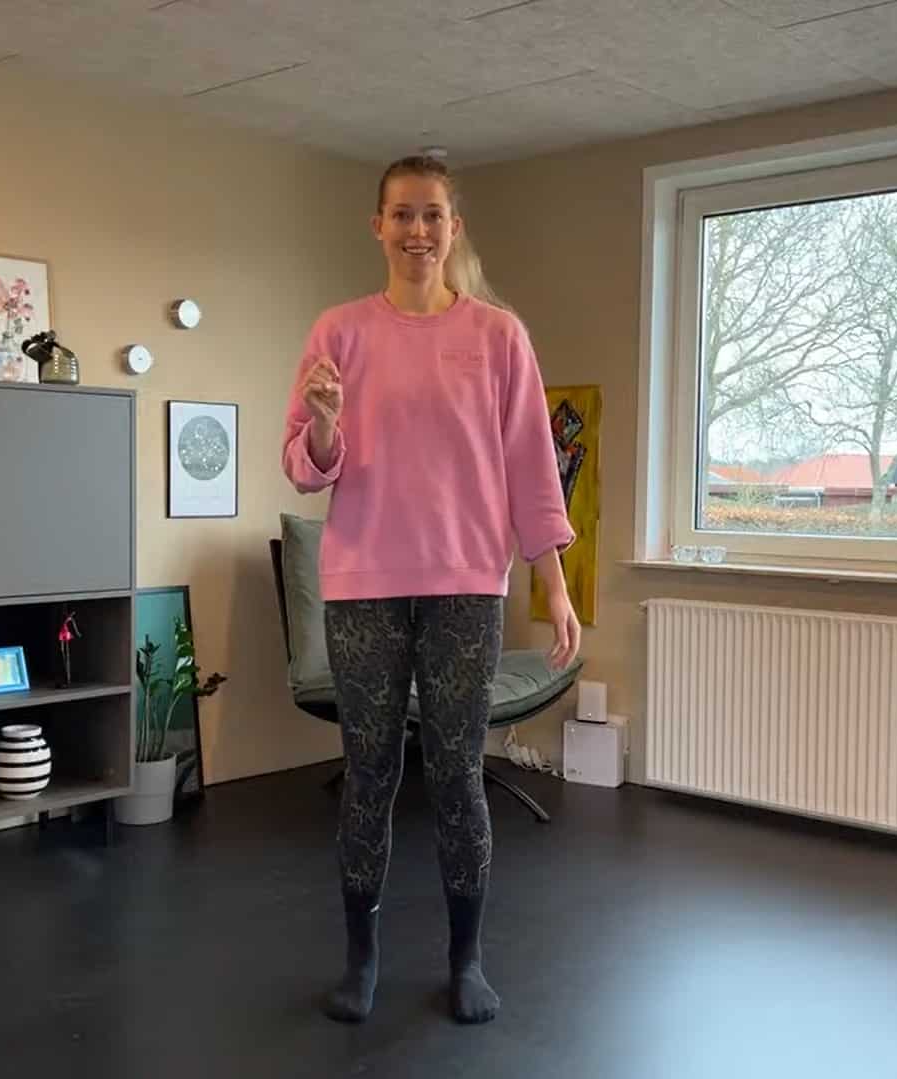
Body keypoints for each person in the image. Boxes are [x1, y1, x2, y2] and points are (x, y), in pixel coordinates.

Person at [281, 153, 581, 1026]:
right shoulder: (337, 332)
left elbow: (531, 468)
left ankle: (466, 958)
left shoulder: (497, 336)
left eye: (432, 215)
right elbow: (303, 466)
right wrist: (326, 422)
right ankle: (361, 958)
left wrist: (554, 585)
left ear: (454, 229)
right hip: (363, 588)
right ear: (377, 226)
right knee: (369, 775)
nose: (417, 230)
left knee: (456, 777)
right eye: (402, 214)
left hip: (464, 588)